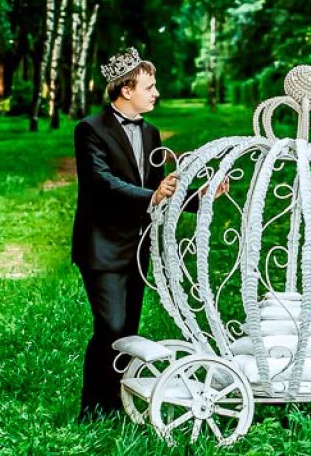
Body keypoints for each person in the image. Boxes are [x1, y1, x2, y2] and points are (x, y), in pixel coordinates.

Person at [71, 47, 223, 420]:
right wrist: (152, 195)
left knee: (128, 331)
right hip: (102, 245)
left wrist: (200, 196)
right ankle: (92, 409)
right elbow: (101, 183)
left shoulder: (151, 132)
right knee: (110, 327)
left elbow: (160, 191)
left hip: (138, 246)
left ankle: (118, 402)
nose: (156, 93)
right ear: (126, 90)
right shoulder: (89, 129)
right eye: (149, 87)